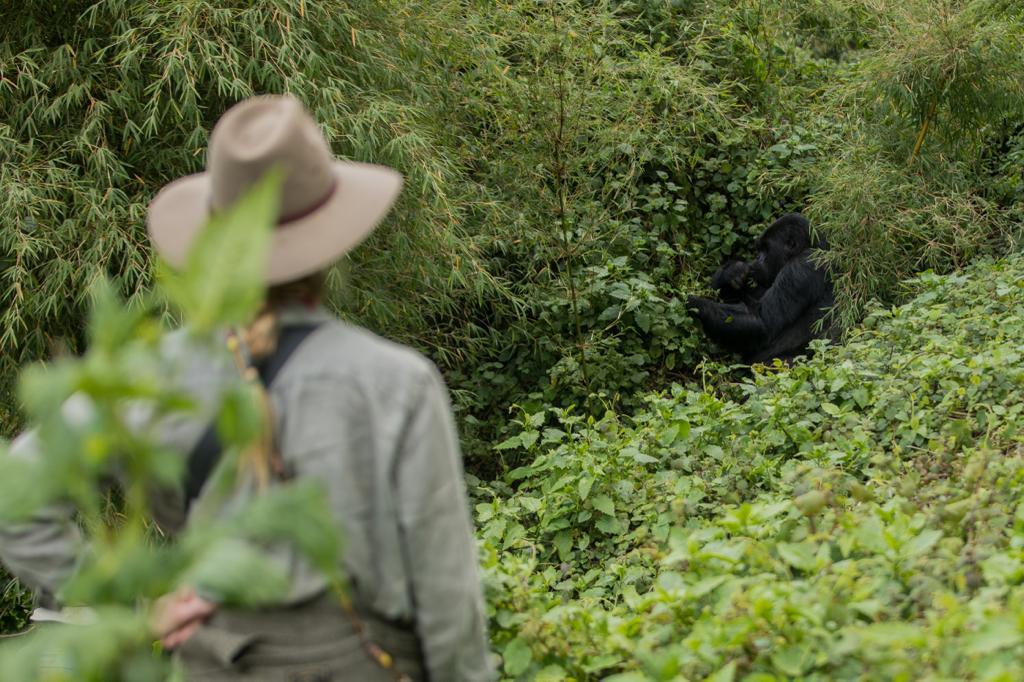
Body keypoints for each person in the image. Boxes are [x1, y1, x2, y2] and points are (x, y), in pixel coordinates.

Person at [0, 95, 492, 681]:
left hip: (215, 664)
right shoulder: (396, 383)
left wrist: (129, 605)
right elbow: (445, 588)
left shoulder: (148, 379)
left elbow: (15, 497)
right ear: (328, 237)